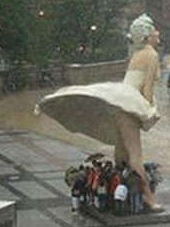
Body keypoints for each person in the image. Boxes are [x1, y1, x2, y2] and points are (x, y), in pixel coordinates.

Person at [35, 14, 163, 212]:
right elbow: (147, 90)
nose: (157, 32)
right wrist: (148, 111)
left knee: (121, 150)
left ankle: (119, 190)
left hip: (119, 100)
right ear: (147, 35)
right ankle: (147, 196)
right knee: (135, 154)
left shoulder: (136, 54)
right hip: (129, 104)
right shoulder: (152, 54)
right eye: (154, 29)